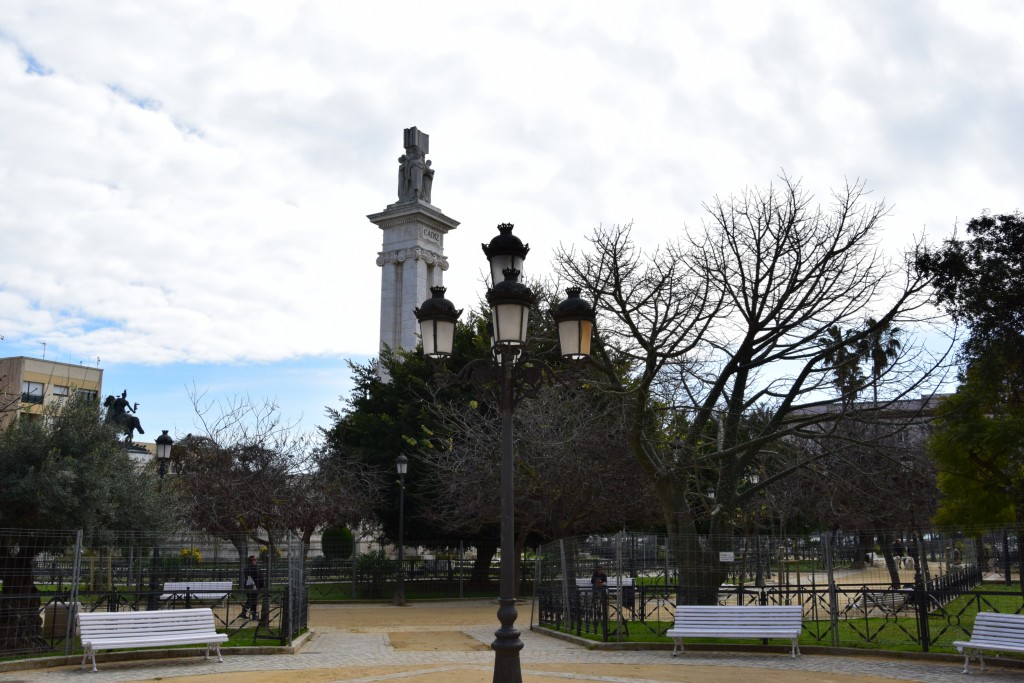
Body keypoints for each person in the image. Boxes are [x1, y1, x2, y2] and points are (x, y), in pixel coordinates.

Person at [244, 555, 261, 619]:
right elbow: (257, 577)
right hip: (253, 586)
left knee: (249, 600)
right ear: (253, 561)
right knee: (253, 601)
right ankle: (254, 615)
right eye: (255, 560)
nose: (256, 561)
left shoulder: (247, 568)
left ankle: (244, 612)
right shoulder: (254, 568)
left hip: (249, 585)